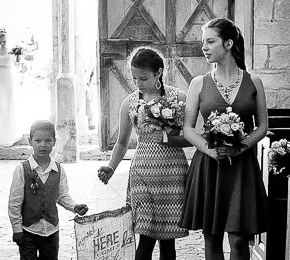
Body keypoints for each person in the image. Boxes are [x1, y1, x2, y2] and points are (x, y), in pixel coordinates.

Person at [180, 18, 272, 260]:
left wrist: (240, 147)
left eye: (210, 41)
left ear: (229, 43)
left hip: (242, 167)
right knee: (211, 237)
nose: (204, 48)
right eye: (203, 42)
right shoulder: (198, 83)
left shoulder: (254, 82)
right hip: (210, 165)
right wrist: (210, 151)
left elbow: (262, 127)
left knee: (240, 240)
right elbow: (188, 128)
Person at [96, 47, 193, 260]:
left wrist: (169, 138)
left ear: (159, 72)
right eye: (134, 78)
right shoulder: (130, 102)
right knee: (145, 239)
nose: (138, 83)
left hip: (172, 174)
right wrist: (111, 167)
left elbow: (192, 136)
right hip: (142, 173)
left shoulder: (179, 97)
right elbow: (121, 143)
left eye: (143, 78)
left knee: (168, 241)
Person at [9, 120, 89, 260]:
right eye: (38, 140)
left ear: (54, 142)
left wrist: (75, 207)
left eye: (47, 140)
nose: (43, 145)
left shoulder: (58, 169)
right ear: (30, 141)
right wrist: (17, 229)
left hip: (52, 231)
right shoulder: (22, 169)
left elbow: (62, 196)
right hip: (28, 230)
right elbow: (14, 203)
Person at [0, 28, 25, 146]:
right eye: (0, 40)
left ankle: (9, 133)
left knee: (8, 105)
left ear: (7, 38)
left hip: (8, 78)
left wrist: (18, 57)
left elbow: (18, 64)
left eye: (4, 40)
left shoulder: (12, 50)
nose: (2, 42)